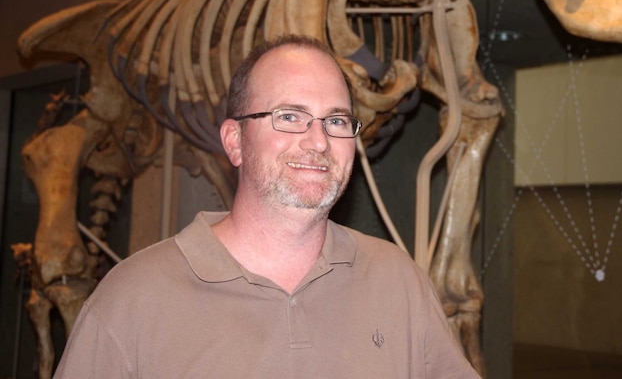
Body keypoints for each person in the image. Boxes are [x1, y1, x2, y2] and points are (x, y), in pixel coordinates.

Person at [54, 35, 480, 378]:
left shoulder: (398, 281)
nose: (318, 141)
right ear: (234, 141)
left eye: (335, 120)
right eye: (290, 116)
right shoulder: (131, 301)